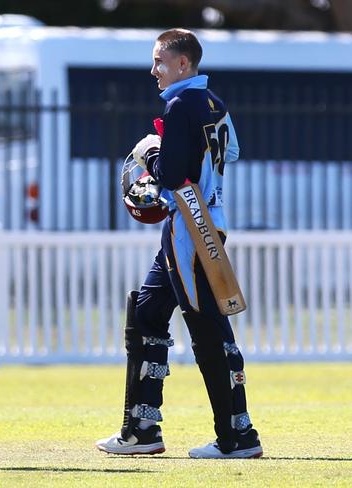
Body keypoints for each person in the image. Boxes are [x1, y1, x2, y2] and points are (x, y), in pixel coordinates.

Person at [95, 28, 263, 459]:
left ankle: (236, 436)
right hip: (204, 221)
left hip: (191, 230)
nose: (153, 70)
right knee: (148, 311)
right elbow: (235, 152)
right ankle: (141, 429)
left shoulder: (180, 103)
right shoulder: (213, 103)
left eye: (159, 61)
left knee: (207, 327)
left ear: (182, 63)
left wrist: (149, 149)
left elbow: (169, 176)